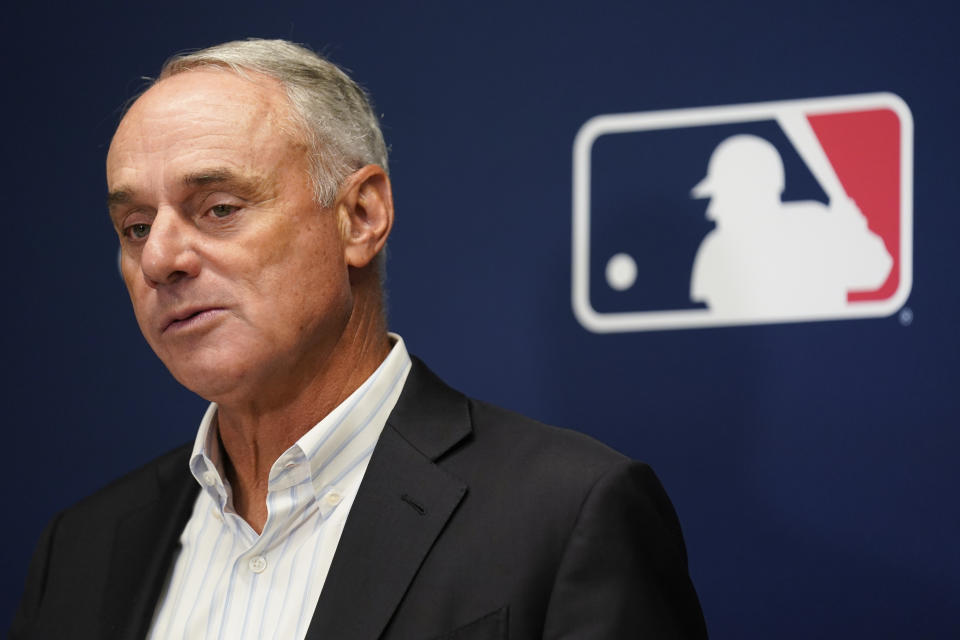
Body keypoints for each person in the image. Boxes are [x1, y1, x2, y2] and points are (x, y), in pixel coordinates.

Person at [11, 39, 707, 639]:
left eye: (218, 209)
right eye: (135, 227)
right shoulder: (81, 548)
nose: (161, 258)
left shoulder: (567, 512)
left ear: (360, 216)